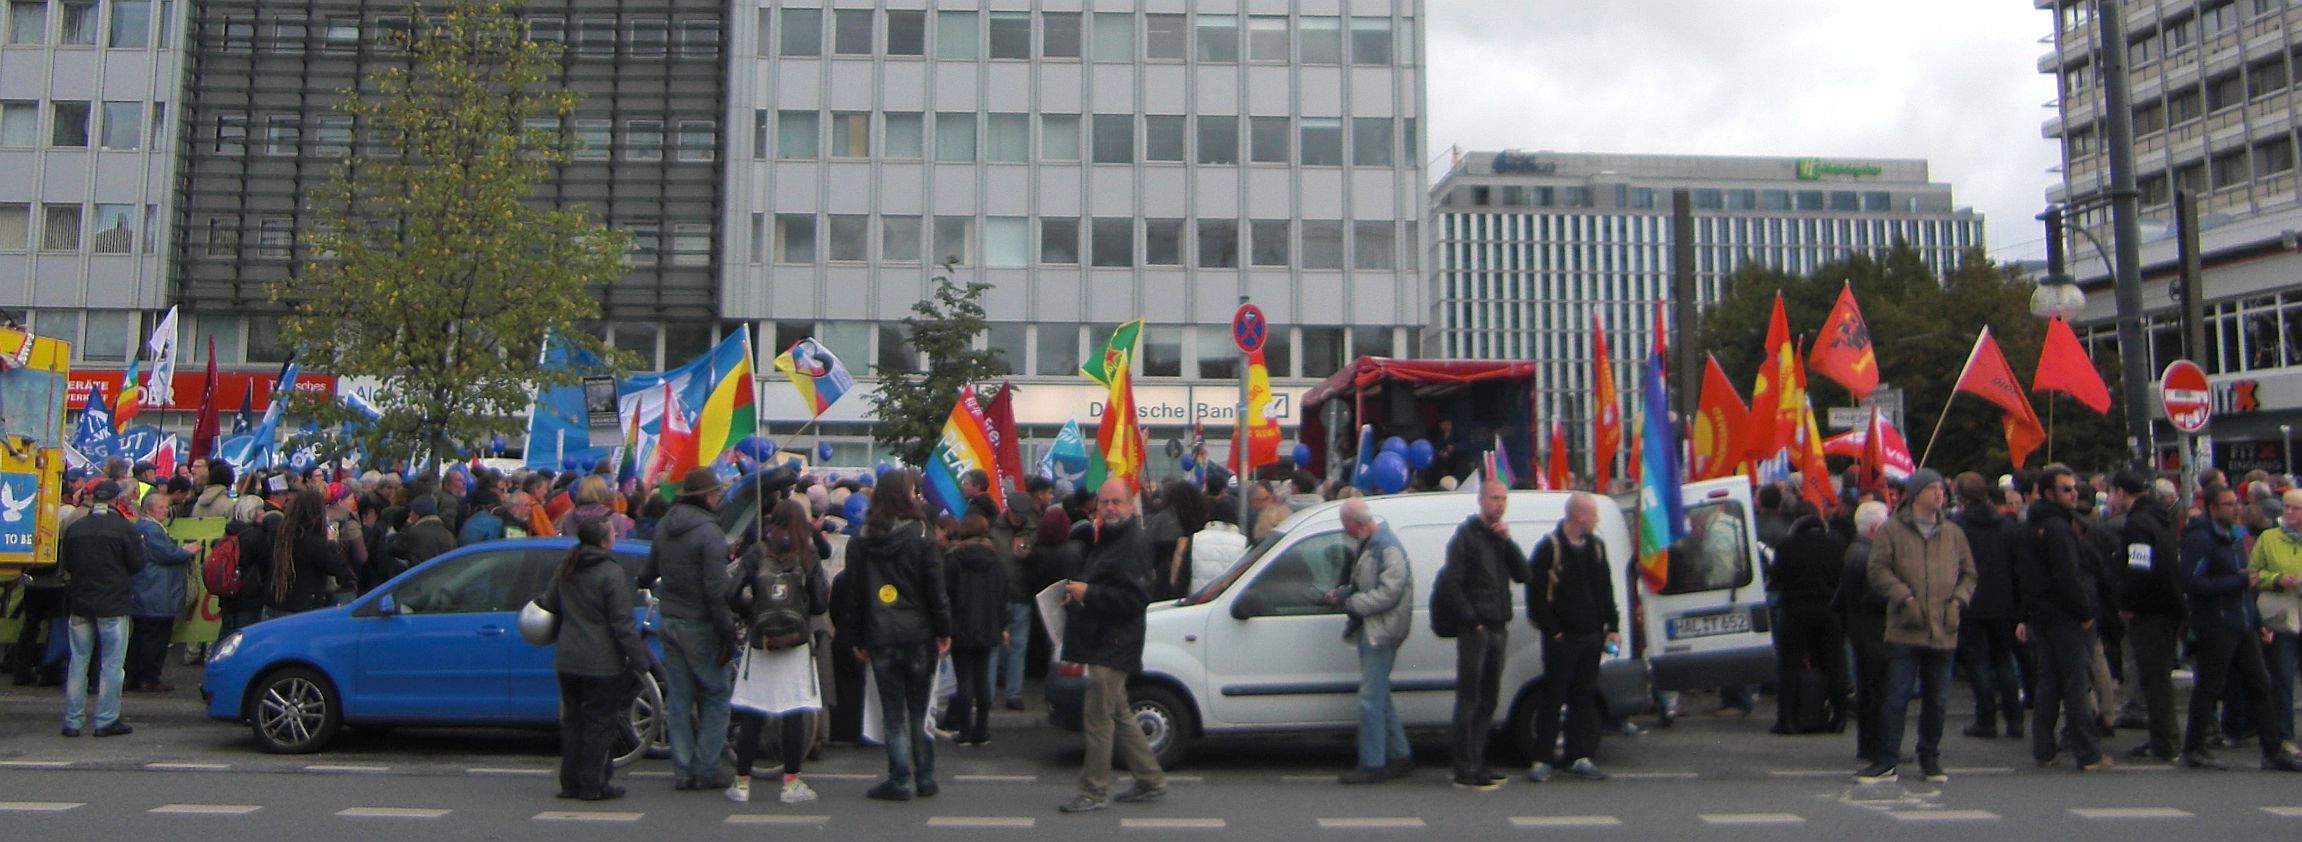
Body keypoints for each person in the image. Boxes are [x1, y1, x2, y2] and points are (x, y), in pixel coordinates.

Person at [834, 469, 951, 802]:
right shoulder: (923, 535)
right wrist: (943, 630)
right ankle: (925, 776)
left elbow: (855, 594)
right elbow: (935, 590)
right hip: (918, 632)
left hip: (880, 634)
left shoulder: (862, 540)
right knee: (919, 707)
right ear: (907, 495)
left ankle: (899, 779)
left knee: (893, 711)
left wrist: (855, 637)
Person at [1854, 469, 1976, 785]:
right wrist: (1903, 596)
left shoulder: (1952, 533)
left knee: (1937, 699)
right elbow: (1878, 569)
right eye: (1933, 489)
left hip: (1943, 628)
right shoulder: (1893, 530)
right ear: (1916, 494)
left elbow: (1969, 573)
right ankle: (1886, 759)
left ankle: (1930, 758)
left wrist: (1957, 601)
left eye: (1941, 489)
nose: (1940, 494)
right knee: (1896, 696)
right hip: (1906, 628)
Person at [1055, 477, 1167, 813]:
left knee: (1098, 716)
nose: (1109, 508)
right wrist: (1080, 594)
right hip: (1107, 636)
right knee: (1119, 711)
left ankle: (1094, 790)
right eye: (1104, 502)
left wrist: (1088, 593)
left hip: (1115, 640)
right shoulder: (1111, 537)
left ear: (1131, 505)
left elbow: (1133, 600)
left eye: (1116, 502)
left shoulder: (1131, 542)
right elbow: (1110, 586)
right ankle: (1150, 778)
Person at [2177, 485, 2302, 772]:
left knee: (2260, 683)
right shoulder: (2201, 539)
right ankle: (2194, 748)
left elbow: (2247, 582)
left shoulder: (2234, 538)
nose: (2236, 508)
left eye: (2236, 503)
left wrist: (2257, 621)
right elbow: (2192, 582)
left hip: (2242, 621)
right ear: (2212, 508)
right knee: (2209, 686)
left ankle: (2273, 750)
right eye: (2228, 504)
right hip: (2216, 624)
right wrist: (2238, 581)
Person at [637, 467, 739, 791]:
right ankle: (706, 767)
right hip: (700, 622)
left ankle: (682, 769)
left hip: (671, 618)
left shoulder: (666, 524)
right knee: (717, 693)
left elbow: (648, 572)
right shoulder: (710, 533)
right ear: (708, 497)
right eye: (716, 493)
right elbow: (715, 589)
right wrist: (727, 629)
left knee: (679, 698)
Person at [538, 519, 654, 801]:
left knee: (574, 722)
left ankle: (570, 782)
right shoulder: (610, 572)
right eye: (612, 533)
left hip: (567, 658)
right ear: (604, 542)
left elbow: (549, 604)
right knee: (599, 725)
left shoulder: (567, 565)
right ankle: (593, 784)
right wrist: (643, 661)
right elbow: (622, 624)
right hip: (601, 661)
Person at [726, 499, 829, 805]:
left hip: (762, 644)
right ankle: (791, 783)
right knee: (794, 712)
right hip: (795, 645)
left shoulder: (757, 552)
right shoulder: (807, 554)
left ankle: (741, 783)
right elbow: (821, 603)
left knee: (753, 712)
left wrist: (752, 613)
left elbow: (731, 594)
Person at [2017, 466, 2109, 771]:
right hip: (2066, 615)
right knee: (2076, 684)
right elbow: (2067, 575)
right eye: (2066, 489)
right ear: (2048, 493)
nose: (2074, 494)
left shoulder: (2035, 524)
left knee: (2050, 683)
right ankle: (2088, 752)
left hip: (2044, 615)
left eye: (2074, 488)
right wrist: (2084, 612)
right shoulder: (2057, 528)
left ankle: (2044, 749)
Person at [1523, 492, 1620, 782]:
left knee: (1583, 697)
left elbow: (1605, 590)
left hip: (1591, 635)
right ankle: (1543, 759)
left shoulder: (1595, 548)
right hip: (1562, 639)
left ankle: (1577, 756)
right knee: (1554, 697)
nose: (1596, 520)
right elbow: (1536, 595)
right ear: (1579, 515)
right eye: (1592, 514)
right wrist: (1554, 631)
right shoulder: (1549, 549)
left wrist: (1611, 626)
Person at [1442, 480, 1528, 791]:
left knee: (1489, 698)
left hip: (1498, 625)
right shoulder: (1466, 538)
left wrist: (1508, 542)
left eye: (1504, 499)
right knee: (1470, 698)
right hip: (1477, 628)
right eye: (1494, 498)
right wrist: (1472, 619)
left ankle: (1479, 762)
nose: (1500, 504)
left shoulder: (1498, 539)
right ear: (1481, 500)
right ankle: (1464, 766)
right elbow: (1453, 583)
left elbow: (1524, 574)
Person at [1330, 498, 1413, 784]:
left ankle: (1372, 763)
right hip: (1375, 627)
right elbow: (1369, 584)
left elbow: (1390, 592)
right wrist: (1344, 593)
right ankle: (1400, 754)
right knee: (1380, 695)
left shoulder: (1385, 547)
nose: (1346, 532)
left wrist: (1353, 602)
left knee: (1369, 699)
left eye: (1346, 526)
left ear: (1358, 523)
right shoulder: (1372, 543)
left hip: (1382, 630)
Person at [60, 481, 145, 737]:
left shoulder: (76, 528)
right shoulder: (123, 528)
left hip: (81, 601)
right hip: (113, 603)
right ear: (115, 500)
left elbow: (69, 564)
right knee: (111, 665)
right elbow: (138, 564)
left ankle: (72, 721)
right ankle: (106, 720)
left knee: (78, 662)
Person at [2113, 469, 2186, 762]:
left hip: (2150, 610)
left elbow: (2139, 568)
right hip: (2169, 606)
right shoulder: (2160, 517)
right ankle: (2165, 737)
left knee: (2154, 680)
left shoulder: (2138, 524)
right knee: (2160, 679)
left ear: (2120, 492)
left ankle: (2164, 742)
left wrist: (2128, 603)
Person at [1951, 472, 2025, 740]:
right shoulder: (2006, 525)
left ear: (1961, 496)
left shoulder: (1957, 525)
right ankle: (2015, 718)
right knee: (2004, 660)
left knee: (1978, 662)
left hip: (1971, 600)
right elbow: (2018, 566)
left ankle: (1986, 718)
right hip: (2003, 601)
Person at [1770, 504, 1851, 736]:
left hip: (1795, 612)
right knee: (1835, 665)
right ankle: (1839, 717)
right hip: (1829, 612)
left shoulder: (1787, 546)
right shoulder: (1836, 545)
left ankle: (1786, 720)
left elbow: (1775, 578)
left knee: (1789, 666)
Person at [943, 514, 1009, 747]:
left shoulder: (953, 560)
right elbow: (1002, 596)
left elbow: (946, 595)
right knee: (982, 678)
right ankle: (982, 728)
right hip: (989, 623)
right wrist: (1002, 626)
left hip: (961, 624)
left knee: (964, 680)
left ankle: (964, 729)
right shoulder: (996, 560)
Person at [1836, 501, 1892, 765]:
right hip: (1873, 632)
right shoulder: (1868, 556)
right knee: (1877, 692)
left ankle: (1869, 745)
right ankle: (1878, 747)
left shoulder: (1855, 550)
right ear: (1876, 527)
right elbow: (1879, 596)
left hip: (1860, 631)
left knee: (1869, 691)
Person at [126, 491, 197, 693]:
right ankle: (149, 678)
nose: (165, 511)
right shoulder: (151, 529)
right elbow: (166, 554)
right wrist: (186, 551)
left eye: (166, 507)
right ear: (149, 509)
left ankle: (135, 676)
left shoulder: (142, 527)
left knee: (142, 636)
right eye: (161, 507)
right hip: (156, 592)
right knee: (155, 638)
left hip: (147, 590)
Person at [2248, 489, 2302, 752]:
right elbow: (2254, 573)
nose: (2290, 513)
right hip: (2280, 616)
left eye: (2296, 509)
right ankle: (2284, 735)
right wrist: (2278, 579)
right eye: (2287, 507)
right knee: (2281, 677)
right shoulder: (2269, 538)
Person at [262, 489, 356, 620]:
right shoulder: (313, 543)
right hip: (300, 609)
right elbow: (338, 568)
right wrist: (332, 544)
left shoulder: (281, 536)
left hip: (273, 604)